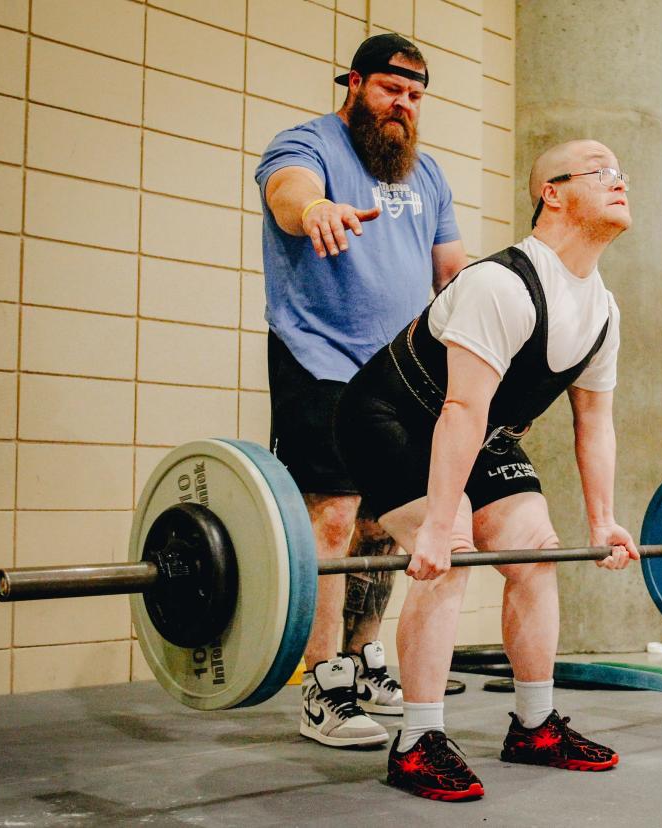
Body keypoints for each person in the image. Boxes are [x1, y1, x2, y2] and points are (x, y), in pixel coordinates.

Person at [334, 139, 637, 801]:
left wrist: (605, 520)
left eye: (621, 173)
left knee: (536, 551)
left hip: (473, 429)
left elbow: (595, 423)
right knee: (454, 552)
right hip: (390, 415)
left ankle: (534, 726)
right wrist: (441, 526)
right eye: (601, 172)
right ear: (552, 193)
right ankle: (417, 741)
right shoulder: (502, 284)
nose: (620, 182)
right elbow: (462, 406)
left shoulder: (601, 312)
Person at [255, 33, 468, 748]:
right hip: (319, 358)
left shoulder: (427, 173)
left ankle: (365, 657)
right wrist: (312, 210)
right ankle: (322, 683)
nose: (402, 106)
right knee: (334, 516)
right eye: (389, 90)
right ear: (353, 84)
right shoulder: (307, 144)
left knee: (384, 521)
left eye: (413, 96)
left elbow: (453, 273)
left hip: (399, 376)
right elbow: (289, 194)